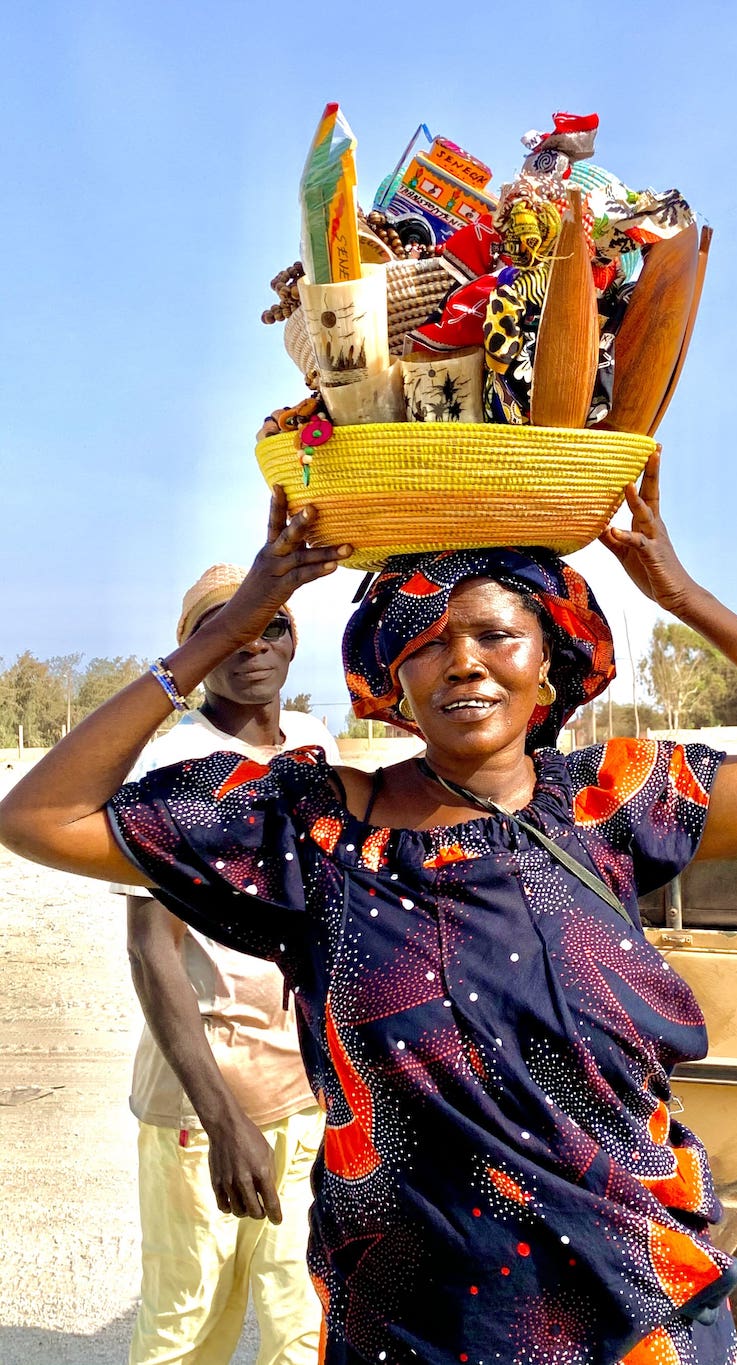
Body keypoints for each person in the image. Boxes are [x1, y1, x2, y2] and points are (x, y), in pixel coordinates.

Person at [0, 455, 737, 1365]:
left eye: (495, 634)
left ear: (547, 662)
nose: (465, 661)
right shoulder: (319, 830)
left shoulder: (610, 801)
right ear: (392, 678)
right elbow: (39, 817)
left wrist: (682, 596)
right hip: (415, 1327)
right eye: (429, 641)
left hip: (633, 1312)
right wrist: (226, 628)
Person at [116, 564, 339, 1365]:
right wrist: (221, 1121)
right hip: (203, 1102)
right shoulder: (168, 765)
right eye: (226, 629)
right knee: (189, 1322)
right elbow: (151, 949)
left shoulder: (315, 745)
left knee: (302, 1315)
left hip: (305, 1093)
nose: (252, 644)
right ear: (197, 651)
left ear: (293, 640)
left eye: (269, 625)